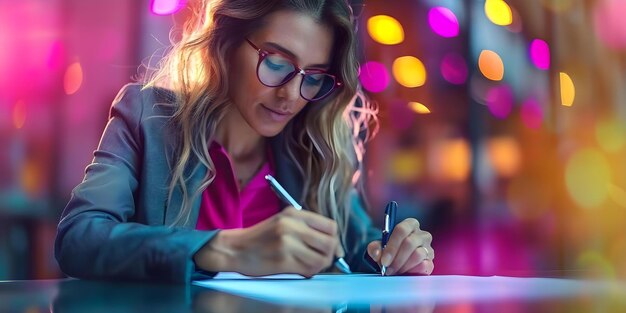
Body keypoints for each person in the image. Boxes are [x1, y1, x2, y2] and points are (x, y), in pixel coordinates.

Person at [54, 0, 434, 284]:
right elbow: (79, 238)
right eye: (277, 62)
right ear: (226, 44)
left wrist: (391, 254)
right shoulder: (147, 118)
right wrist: (229, 249)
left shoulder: (314, 147)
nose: (291, 94)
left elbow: (357, 246)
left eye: (313, 76)